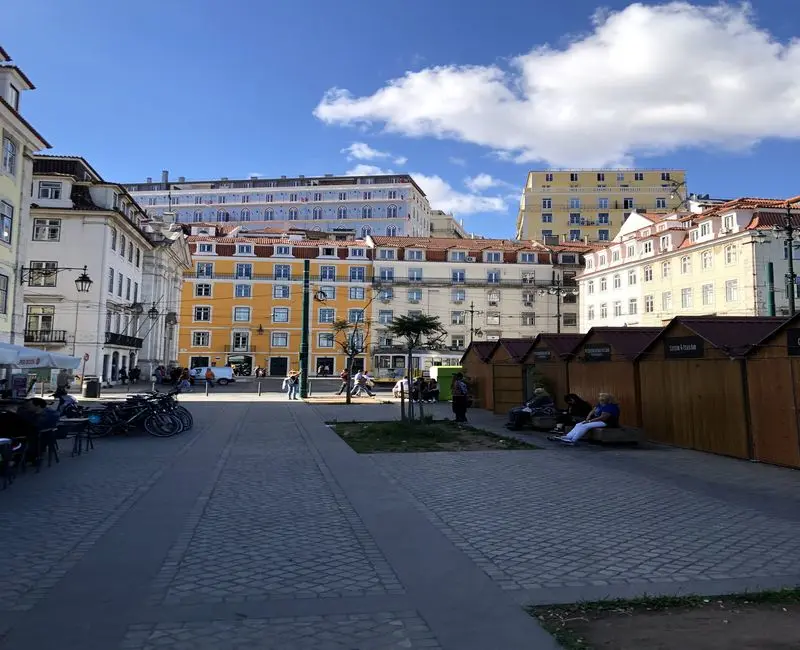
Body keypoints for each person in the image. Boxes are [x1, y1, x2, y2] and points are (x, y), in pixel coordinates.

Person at [553, 393, 621, 445]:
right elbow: (592, 411)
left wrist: (589, 421)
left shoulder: (610, 407)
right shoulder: (600, 404)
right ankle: (568, 437)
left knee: (585, 426)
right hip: (598, 420)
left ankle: (573, 440)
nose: (601, 401)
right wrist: (587, 419)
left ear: (607, 400)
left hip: (607, 422)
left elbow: (603, 418)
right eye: (600, 400)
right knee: (579, 424)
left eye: (602, 400)